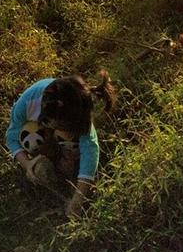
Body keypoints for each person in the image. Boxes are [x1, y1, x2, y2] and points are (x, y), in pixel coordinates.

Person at [6, 71, 116, 218]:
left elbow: (90, 148)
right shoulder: (28, 102)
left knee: (76, 145)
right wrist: (28, 165)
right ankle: (50, 159)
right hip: (39, 131)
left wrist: (78, 199)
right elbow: (11, 138)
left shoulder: (78, 109)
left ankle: (69, 160)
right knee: (30, 138)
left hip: (62, 135)